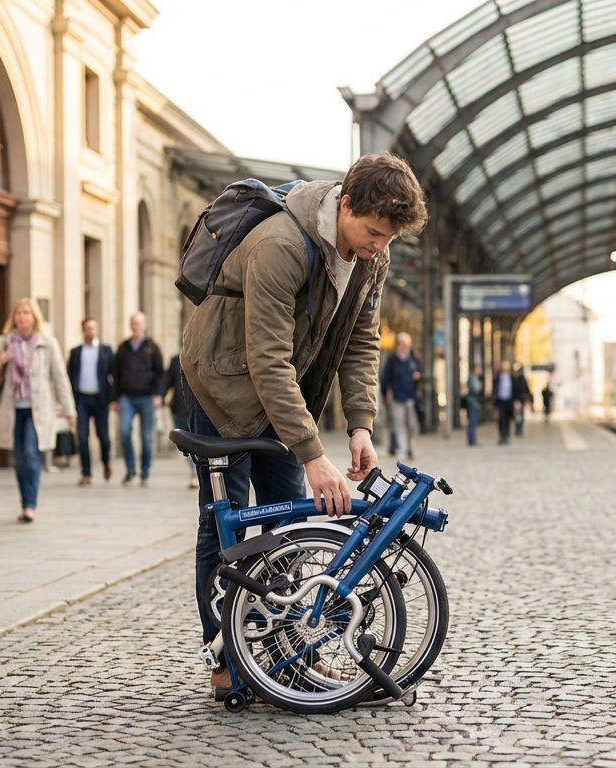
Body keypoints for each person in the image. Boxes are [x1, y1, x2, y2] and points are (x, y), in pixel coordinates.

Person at [179, 153, 427, 698]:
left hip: (279, 393)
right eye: (373, 232)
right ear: (345, 204)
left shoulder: (370, 257)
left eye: (390, 238)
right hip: (220, 383)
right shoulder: (280, 246)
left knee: (283, 528)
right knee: (225, 523)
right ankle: (224, 658)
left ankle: (279, 657)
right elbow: (267, 360)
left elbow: (362, 341)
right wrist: (313, 453)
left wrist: (360, 424)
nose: (380, 246)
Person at [0, 299, 74, 523]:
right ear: (13, 318)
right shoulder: (4, 342)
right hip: (13, 408)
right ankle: (24, 502)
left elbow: (59, 377)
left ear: (34, 317)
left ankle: (30, 506)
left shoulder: (46, 343)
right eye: (18, 313)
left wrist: (68, 409)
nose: (22, 317)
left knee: (32, 454)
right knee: (20, 458)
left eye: (26, 313)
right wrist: (1, 360)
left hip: (38, 409)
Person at [112, 312, 165, 487]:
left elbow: (160, 373)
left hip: (146, 397)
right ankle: (130, 470)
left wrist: (158, 395)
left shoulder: (152, 347)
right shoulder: (123, 347)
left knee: (146, 436)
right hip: (127, 397)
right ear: (130, 325)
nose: (136, 326)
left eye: (139, 323)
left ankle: (145, 471)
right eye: (133, 323)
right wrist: (115, 398)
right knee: (125, 432)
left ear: (145, 325)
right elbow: (116, 374)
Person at [67, 318, 115, 485]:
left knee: (103, 437)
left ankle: (106, 462)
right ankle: (86, 473)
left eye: (93, 328)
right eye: (87, 328)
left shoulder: (106, 351)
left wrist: (112, 398)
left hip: (100, 400)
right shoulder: (75, 352)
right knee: (82, 437)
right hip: (81, 399)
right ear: (83, 330)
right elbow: (70, 376)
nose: (91, 331)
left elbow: (113, 375)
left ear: (97, 329)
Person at [380, 331, 422, 461]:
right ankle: (403, 450)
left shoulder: (413, 357)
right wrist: (384, 394)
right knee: (399, 424)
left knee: (412, 425)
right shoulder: (392, 360)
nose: (402, 346)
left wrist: (419, 376)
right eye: (400, 343)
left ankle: (411, 447)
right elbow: (385, 378)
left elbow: (422, 372)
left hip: (411, 397)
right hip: (397, 397)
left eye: (404, 343)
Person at [162, 352, 197, 489]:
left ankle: (194, 473)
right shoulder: (175, 360)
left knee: (194, 441)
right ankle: (193, 470)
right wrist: (160, 396)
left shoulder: (202, 356)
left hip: (198, 407)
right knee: (187, 444)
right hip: (180, 408)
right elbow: (167, 381)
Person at [493, 360, 516, 445]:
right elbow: (494, 389)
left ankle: (506, 435)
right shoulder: (497, 378)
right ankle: (502, 435)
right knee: (501, 419)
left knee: (507, 419)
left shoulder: (511, 377)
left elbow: (515, 389)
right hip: (500, 401)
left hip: (509, 401)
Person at [464, 364, 484, 446]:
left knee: (474, 421)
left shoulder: (475, 378)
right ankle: (471, 439)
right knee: (472, 421)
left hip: (474, 402)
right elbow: (475, 389)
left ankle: (472, 439)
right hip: (473, 402)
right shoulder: (473, 378)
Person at [512, 363, 531, 436]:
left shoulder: (522, 379)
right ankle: (517, 428)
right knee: (516, 415)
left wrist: (527, 398)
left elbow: (526, 389)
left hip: (520, 400)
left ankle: (519, 429)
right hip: (514, 400)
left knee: (519, 415)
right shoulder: (512, 379)